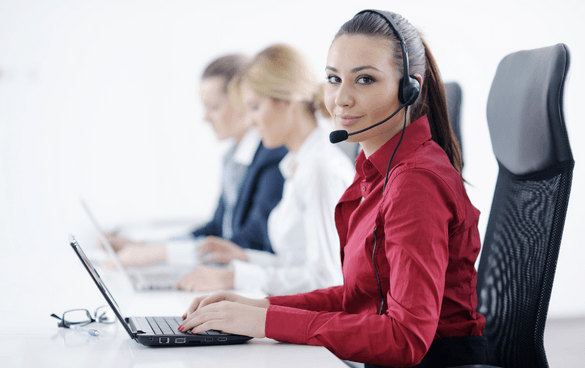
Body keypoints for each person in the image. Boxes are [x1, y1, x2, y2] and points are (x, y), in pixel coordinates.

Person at [178, 10, 487, 368]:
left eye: (365, 80)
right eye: (333, 79)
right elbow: (361, 298)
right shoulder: (376, 173)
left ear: (409, 89)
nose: (341, 98)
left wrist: (266, 322)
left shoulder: (414, 182)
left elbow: (405, 339)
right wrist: (260, 308)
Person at [174, 44, 356, 295]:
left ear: (287, 101)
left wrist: (234, 277)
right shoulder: (297, 165)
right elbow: (297, 265)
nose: (250, 121)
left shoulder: (319, 168)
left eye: (255, 108)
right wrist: (244, 258)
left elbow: (327, 279)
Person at [106, 54, 287, 268]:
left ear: (243, 102)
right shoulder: (234, 158)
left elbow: (252, 242)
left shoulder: (274, 156)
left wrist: (160, 254)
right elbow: (216, 228)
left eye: (214, 107)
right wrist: (147, 246)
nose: (205, 117)